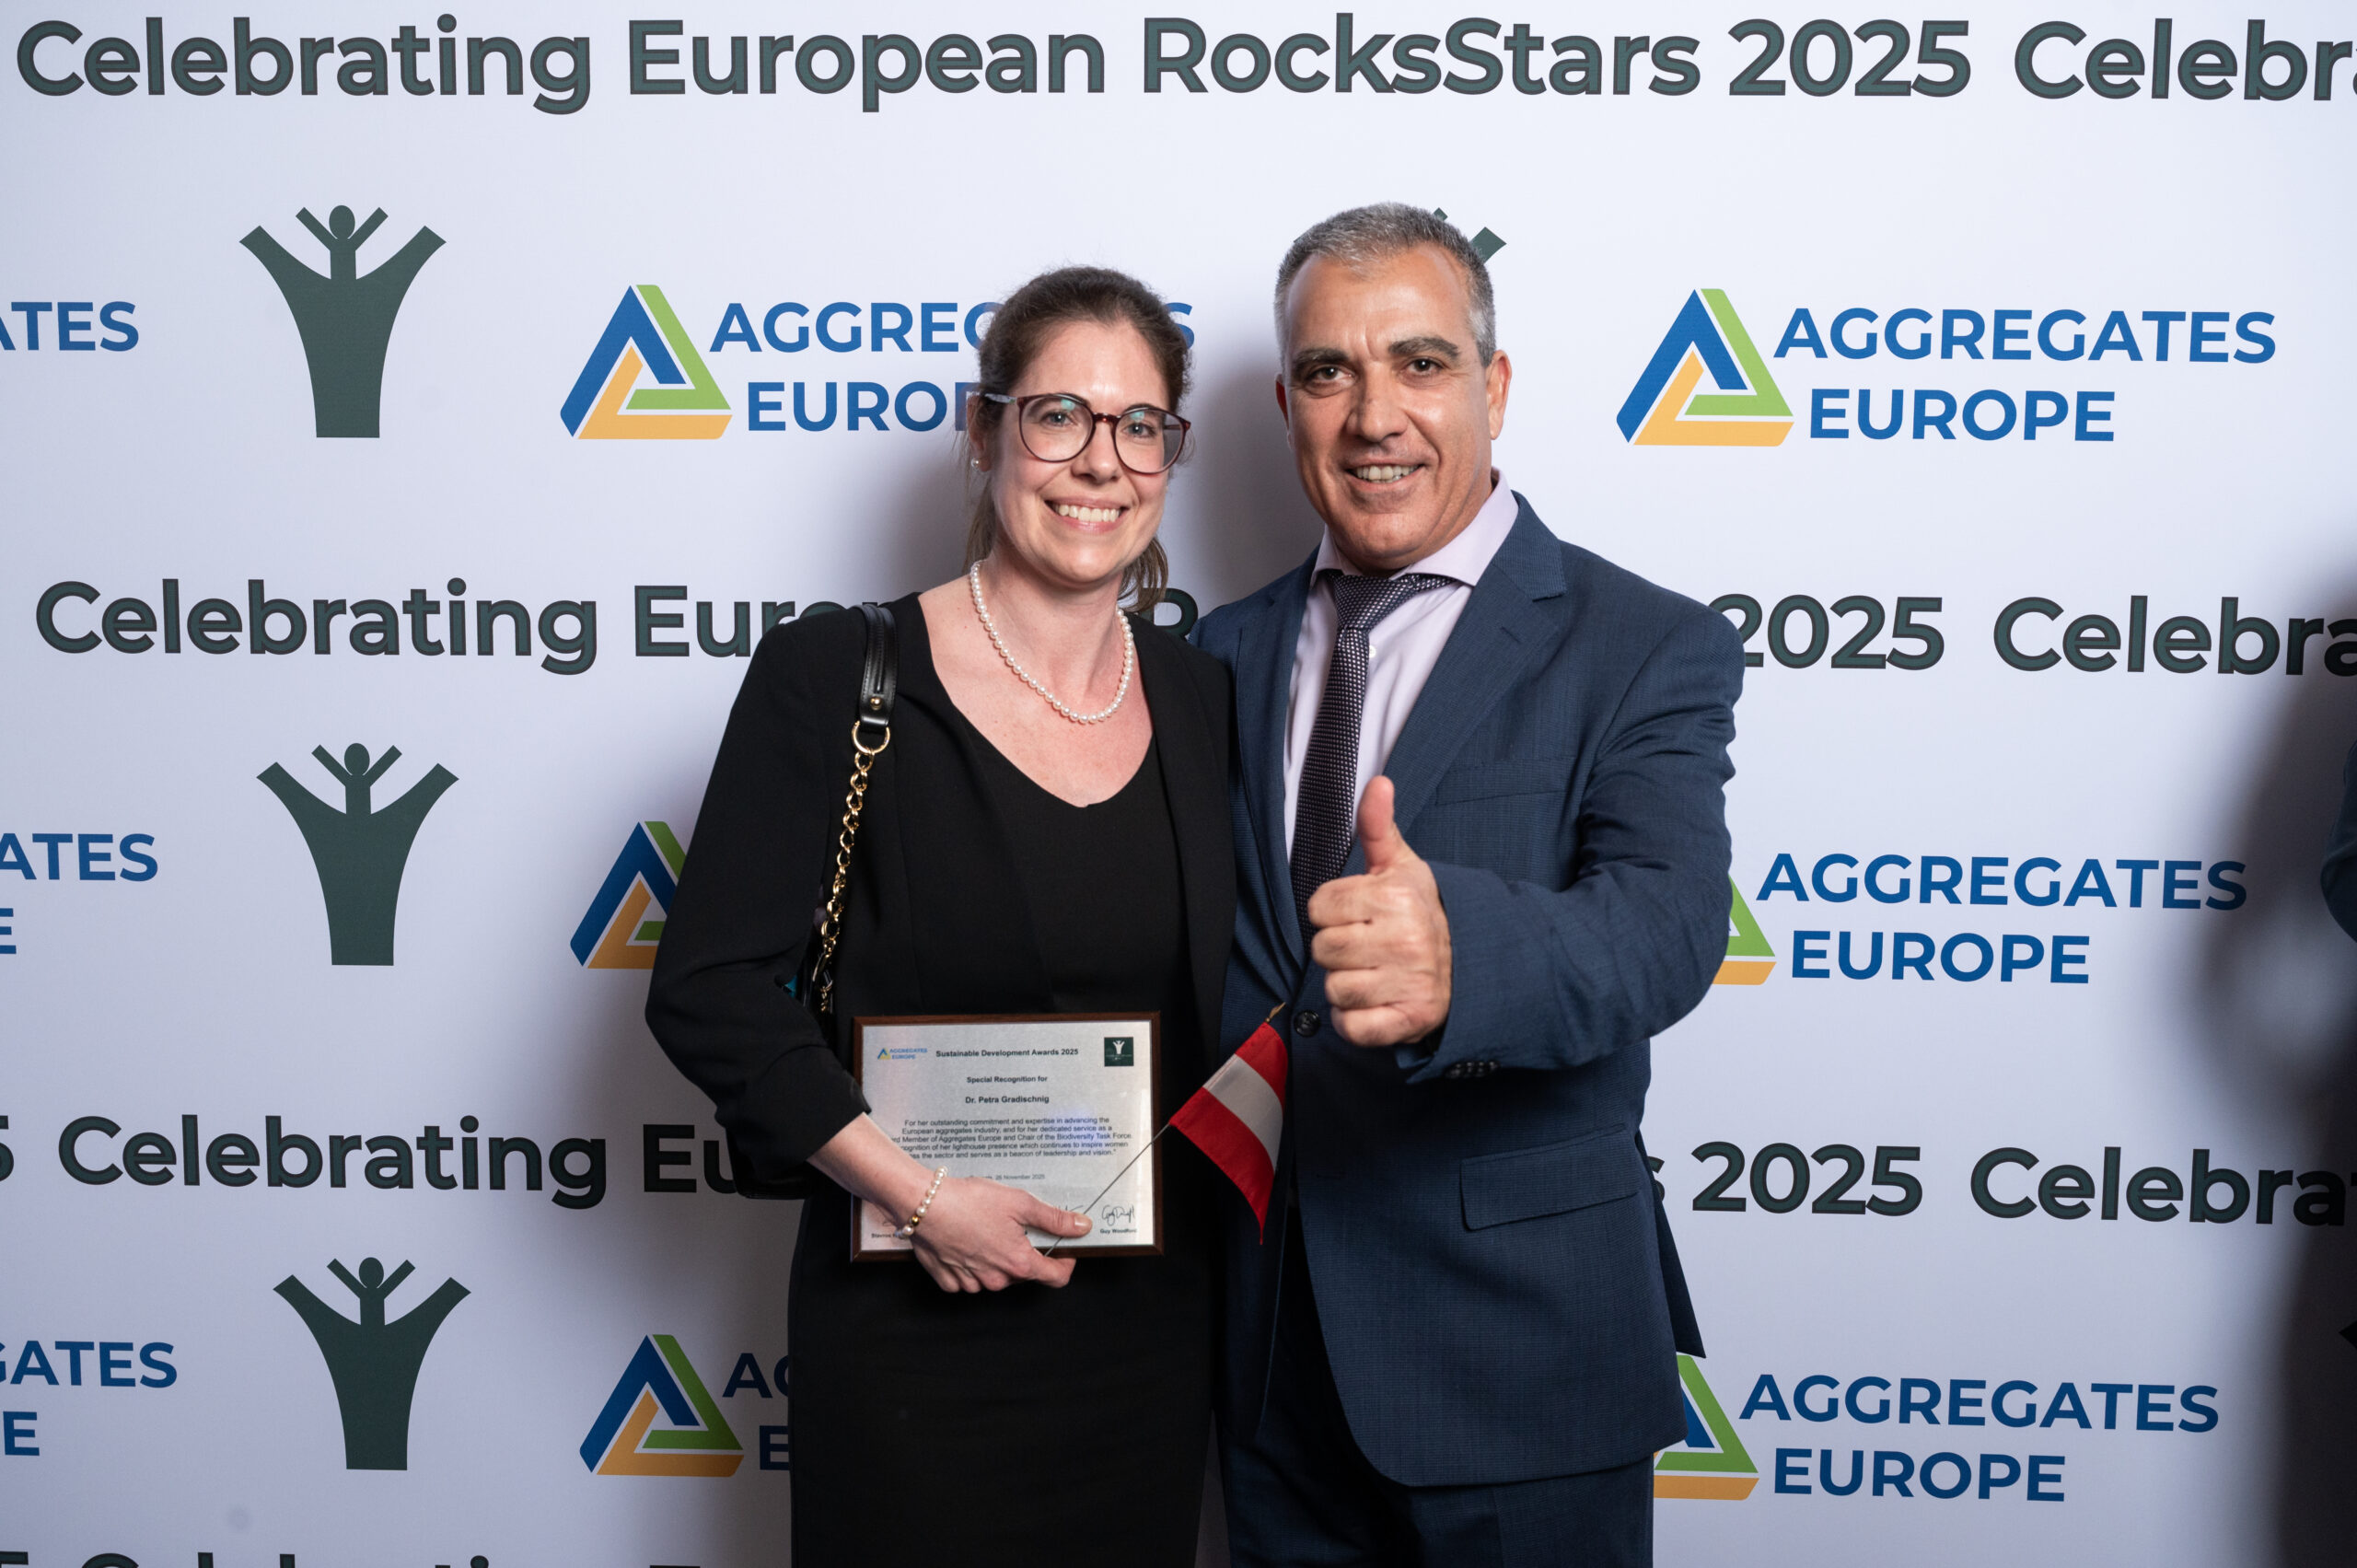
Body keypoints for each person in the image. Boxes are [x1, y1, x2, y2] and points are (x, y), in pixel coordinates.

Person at [645, 266, 1234, 1567]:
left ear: (1171, 454)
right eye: (1059, 416)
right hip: (909, 1333)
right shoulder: (836, 675)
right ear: (984, 432)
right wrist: (922, 1201)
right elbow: (710, 990)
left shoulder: (1205, 702)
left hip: (1145, 1338)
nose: (1102, 462)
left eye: (1140, 425)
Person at [1193, 204, 1742, 1565]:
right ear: (1286, 405)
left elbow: (1668, 926)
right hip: (1268, 1360)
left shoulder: (1642, 643)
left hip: (1517, 1355)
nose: (1374, 415)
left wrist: (1462, 965)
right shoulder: (1213, 655)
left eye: (1421, 364)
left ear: (1493, 388)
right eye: (1329, 372)